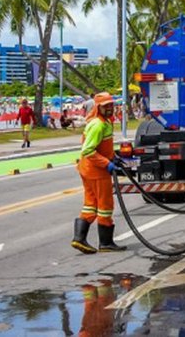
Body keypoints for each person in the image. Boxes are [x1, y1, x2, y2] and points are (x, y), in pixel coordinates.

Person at [71, 92, 125, 254]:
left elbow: (102, 146)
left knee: (91, 204)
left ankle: (79, 239)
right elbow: (88, 150)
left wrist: (113, 157)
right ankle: (106, 242)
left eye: (111, 105)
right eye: (106, 106)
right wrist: (106, 163)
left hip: (88, 170)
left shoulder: (103, 122)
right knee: (105, 206)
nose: (110, 108)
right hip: (96, 172)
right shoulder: (98, 125)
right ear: (98, 107)